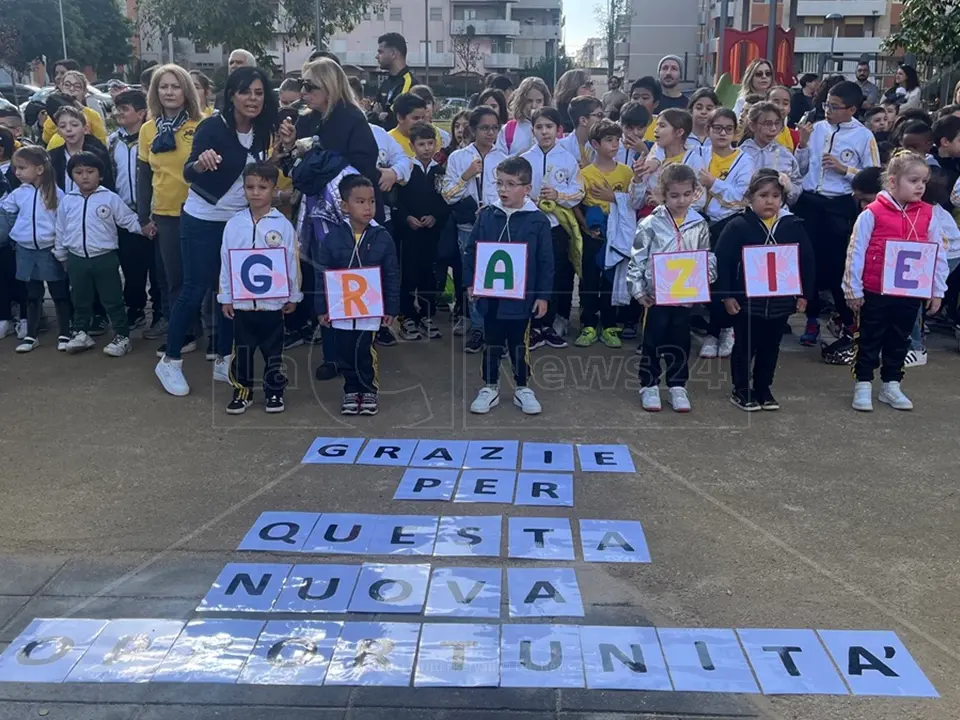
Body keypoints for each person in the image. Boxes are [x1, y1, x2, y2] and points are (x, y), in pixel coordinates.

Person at [155, 66, 278, 398]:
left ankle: (225, 357)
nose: (252, 99)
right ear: (231, 95)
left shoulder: (264, 130)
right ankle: (170, 359)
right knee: (194, 289)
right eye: (245, 92)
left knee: (231, 294)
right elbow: (189, 171)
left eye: (258, 92)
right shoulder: (213, 126)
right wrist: (201, 162)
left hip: (238, 224)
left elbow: (261, 171)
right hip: (202, 220)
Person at [844, 151, 948, 411]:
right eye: (913, 181)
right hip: (875, 289)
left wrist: (937, 289)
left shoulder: (929, 214)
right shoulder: (872, 213)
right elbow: (855, 251)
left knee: (899, 338)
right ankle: (864, 384)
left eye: (923, 181)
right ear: (892, 182)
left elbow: (938, 252)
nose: (920, 186)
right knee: (869, 337)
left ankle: (891, 384)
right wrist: (852, 288)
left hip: (910, 291)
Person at [715, 169, 815, 410]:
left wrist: (804, 295)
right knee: (744, 347)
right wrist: (726, 295)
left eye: (775, 196)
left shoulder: (792, 225)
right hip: (746, 301)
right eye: (763, 195)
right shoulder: (738, 226)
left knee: (771, 347)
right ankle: (741, 389)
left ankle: (763, 387)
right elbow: (723, 261)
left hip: (780, 301)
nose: (769, 201)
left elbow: (807, 260)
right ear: (750, 198)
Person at [465, 156, 553, 415]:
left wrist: (543, 296)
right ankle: (489, 386)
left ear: (527, 188)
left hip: (522, 299)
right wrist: (470, 283)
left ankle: (523, 387)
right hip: (490, 297)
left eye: (511, 184)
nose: (503, 190)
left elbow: (546, 261)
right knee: (492, 341)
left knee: (518, 342)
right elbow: (472, 250)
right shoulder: (487, 216)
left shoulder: (538, 221)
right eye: (500, 183)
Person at [794, 81, 879, 345]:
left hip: (838, 204)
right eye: (826, 104)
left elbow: (875, 174)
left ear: (852, 109)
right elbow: (801, 168)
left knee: (835, 265)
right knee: (807, 263)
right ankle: (810, 319)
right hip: (810, 201)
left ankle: (845, 319)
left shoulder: (863, 136)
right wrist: (803, 144)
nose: (828, 110)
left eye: (834, 106)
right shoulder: (816, 129)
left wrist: (846, 170)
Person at [628, 163, 714, 413]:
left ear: (695, 192)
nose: (681, 200)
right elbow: (637, 259)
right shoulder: (650, 223)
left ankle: (677, 385)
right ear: (663, 194)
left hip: (685, 296)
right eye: (674, 195)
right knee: (653, 340)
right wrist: (639, 291)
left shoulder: (699, 224)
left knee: (680, 339)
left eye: (687, 194)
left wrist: (705, 278)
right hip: (656, 297)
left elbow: (706, 256)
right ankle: (649, 384)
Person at [217, 163, 301, 414]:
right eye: (250, 187)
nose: (255, 192)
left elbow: (291, 262)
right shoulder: (234, 224)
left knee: (274, 352)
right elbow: (226, 262)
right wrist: (226, 297)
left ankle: (274, 393)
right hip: (242, 305)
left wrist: (293, 295)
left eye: (262, 187)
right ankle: (242, 392)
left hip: (272, 304)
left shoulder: (283, 225)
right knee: (242, 351)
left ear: (274, 189)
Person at [317, 175, 400, 416]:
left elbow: (392, 275)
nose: (368, 207)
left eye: (372, 201)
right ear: (345, 206)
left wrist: (391, 308)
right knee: (344, 350)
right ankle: (351, 389)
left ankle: (368, 389)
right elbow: (322, 274)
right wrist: (322, 308)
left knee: (365, 350)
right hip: (341, 307)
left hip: (370, 309)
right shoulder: (333, 238)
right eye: (360, 202)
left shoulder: (382, 236)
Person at [137, 64, 204, 346]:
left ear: (186, 90)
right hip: (165, 215)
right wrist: (143, 217)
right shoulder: (147, 130)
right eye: (163, 86)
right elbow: (144, 176)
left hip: (200, 213)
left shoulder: (202, 125)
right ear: (155, 92)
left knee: (205, 276)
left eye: (176, 86)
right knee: (175, 279)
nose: (169, 92)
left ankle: (214, 335)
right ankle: (186, 333)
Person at [55, 151, 141, 356]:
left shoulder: (110, 198)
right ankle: (81, 332)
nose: (84, 176)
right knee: (80, 298)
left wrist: (146, 228)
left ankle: (122, 336)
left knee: (112, 299)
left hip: (105, 258)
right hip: (76, 258)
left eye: (90, 171)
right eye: (78, 172)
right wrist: (61, 254)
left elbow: (128, 220)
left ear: (100, 175)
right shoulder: (68, 201)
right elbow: (60, 229)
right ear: (72, 176)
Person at [441, 105, 506, 354]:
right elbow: (447, 196)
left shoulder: (504, 157)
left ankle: (496, 329)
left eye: (494, 128)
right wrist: (466, 176)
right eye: (484, 128)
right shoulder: (459, 158)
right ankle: (478, 327)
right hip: (468, 227)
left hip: (498, 226)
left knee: (499, 278)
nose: (490, 133)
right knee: (474, 280)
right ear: (473, 129)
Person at [521, 106, 584, 348]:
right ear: (533, 130)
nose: (544, 132)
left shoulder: (567, 159)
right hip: (532, 225)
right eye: (539, 127)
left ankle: (551, 324)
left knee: (556, 273)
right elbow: (517, 188)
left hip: (558, 226)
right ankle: (534, 325)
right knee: (533, 272)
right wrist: (531, 200)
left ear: (558, 130)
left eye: (549, 127)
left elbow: (579, 191)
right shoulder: (526, 158)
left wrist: (559, 195)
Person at [0, 147, 71, 352]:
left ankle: (64, 333)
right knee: (31, 295)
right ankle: (31, 335)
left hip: (50, 250)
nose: (17, 172)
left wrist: (61, 249)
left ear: (39, 169)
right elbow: (6, 213)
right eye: (15, 168)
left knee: (59, 293)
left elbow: (62, 224)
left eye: (22, 167)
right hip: (25, 250)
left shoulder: (57, 194)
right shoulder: (18, 193)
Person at [698, 108, 755, 359]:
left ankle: (724, 330)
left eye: (728, 129)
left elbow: (742, 197)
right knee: (705, 277)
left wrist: (715, 184)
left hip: (730, 222)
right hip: (700, 222)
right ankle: (712, 330)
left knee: (726, 276)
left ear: (736, 132)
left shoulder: (744, 160)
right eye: (717, 128)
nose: (722, 133)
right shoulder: (697, 154)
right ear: (708, 129)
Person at [575, 118, 634, 349]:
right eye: (609, 140)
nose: (615, 144)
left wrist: (614, 198)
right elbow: (576, 203)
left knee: (612, 278)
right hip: (594, 235)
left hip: (617, 234)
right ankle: (587, 324)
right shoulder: (585, 173)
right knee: (589, 278)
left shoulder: (627, 172)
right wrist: (585, 227)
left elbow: (633, 203)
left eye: (617, 140)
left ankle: (610, 325)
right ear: (595, 144)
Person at [109, 89, 159, 331]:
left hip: (153, 212)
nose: (119, 112)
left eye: (125, 108)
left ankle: (160, 311)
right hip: (124, 214)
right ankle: (135, 308)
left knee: (158, 268)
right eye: (117, 108)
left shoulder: (154, 138)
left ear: (141, 113)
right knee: (131, 266)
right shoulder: (112, 141)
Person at [395, 122, 449, 341]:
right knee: (408, 274)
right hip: (409, 233)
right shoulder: (406, 170)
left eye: (430, 143)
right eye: (421, 144)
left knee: (429, 274)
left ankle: (427, 315)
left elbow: (445, 200)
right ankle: (407, 316)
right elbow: (396, 201)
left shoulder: (440, 171)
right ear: (412, 145)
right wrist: (406, 218)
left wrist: (435, 216)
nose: (426, 148)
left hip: (431, 232)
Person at [739, 101, 803, 206]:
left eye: (777, 123)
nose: (773, 129)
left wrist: (789, 188)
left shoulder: (785, 155)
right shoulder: (741, 154)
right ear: (752, 126)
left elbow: (797, 185)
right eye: (767, 124)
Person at [48, 106, 113, 193]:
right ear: (58, 132)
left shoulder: (98, 154)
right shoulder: (52, 157)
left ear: (85, 129)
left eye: (74, 125)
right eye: (63, 126)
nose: (68, 129)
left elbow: (108, 184)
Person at [44, 73, 108, 149]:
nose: (71, 89)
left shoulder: (92, 114)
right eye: (67, 85)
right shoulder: (55, 111)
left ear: (85, 91)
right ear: (61, 87)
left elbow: (102, 143)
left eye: (77, 86)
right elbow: (46, 138)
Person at [496, 76, 550, 157]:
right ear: (521, 102)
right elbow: (497, 161)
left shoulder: (553, 129)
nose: (534, 106)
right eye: (529, 101)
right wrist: (518, 158)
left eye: (539, 101)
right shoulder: (508, 129)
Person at [374, 33, 416, 130]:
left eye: (380, 52)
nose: (376, 56)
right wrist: (379, 116)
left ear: (393, 54)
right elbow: (372, 113)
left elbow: (395, 119)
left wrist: (381, 116)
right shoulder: (385, 83)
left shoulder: (409, 83)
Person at [558, 95, 604, 169]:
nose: (603, 120)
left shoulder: (604, 145)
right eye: (599, 115)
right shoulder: (561, 147)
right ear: (583, 120)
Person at [386, 92, 428, 158]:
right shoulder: (388, 141)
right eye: (415, 118)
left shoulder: (429, 139)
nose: (421, 122)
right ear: (400, 118)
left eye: (423, 117)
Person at [554, 69, 595, 133]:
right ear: (572, 89)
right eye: (587, 85)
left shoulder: (591, 112)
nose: (592, 89)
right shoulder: (560, 123)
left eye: (591, 84)